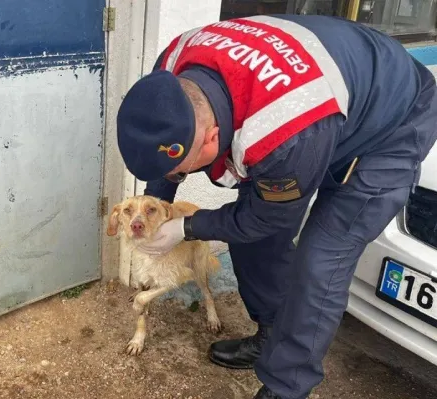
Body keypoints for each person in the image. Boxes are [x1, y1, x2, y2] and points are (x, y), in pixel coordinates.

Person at [115, 14, 437, 399]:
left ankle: (286, 387)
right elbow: (171, 163)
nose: (179, 174)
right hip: (330, 99)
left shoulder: (283, 136)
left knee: (321, 260)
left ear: (213, 136)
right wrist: (158, 204)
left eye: (186, 167)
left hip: (391, 120)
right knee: (251, 240)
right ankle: (271, 334)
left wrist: (185, 226)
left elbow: (266, 216)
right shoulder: (169, 72)